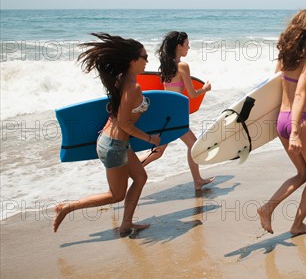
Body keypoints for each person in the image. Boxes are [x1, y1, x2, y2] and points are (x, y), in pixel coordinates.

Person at [53, 33, 160, 235]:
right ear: (133, 60)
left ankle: (126, 224)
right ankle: (67, 207)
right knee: (115, 194)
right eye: (145, 57)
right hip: (114, 145)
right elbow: (124, 123)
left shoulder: (122, 80)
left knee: (140, 177)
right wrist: (149, 139)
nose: (148, 61)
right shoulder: (132, 87)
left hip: (117, 142)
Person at [257, 8, 306, 236]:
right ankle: (297, 225)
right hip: (302, 122)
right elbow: (300, 94)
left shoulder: (285, 55)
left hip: (281, 121)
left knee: (302, 173)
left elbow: (272, 84)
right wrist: (296, 132)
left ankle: (268, 208)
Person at [139, 31, 214, 191]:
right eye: (187, 44)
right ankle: (197, 181)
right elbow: (192, 94)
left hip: (167, 114)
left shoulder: (166, 66)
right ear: (179, 47)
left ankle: (128, 170)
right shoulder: (182, 66)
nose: (188, 47)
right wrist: (205, 89)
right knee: (193, 146)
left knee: (158, 151)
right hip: (175, 116)